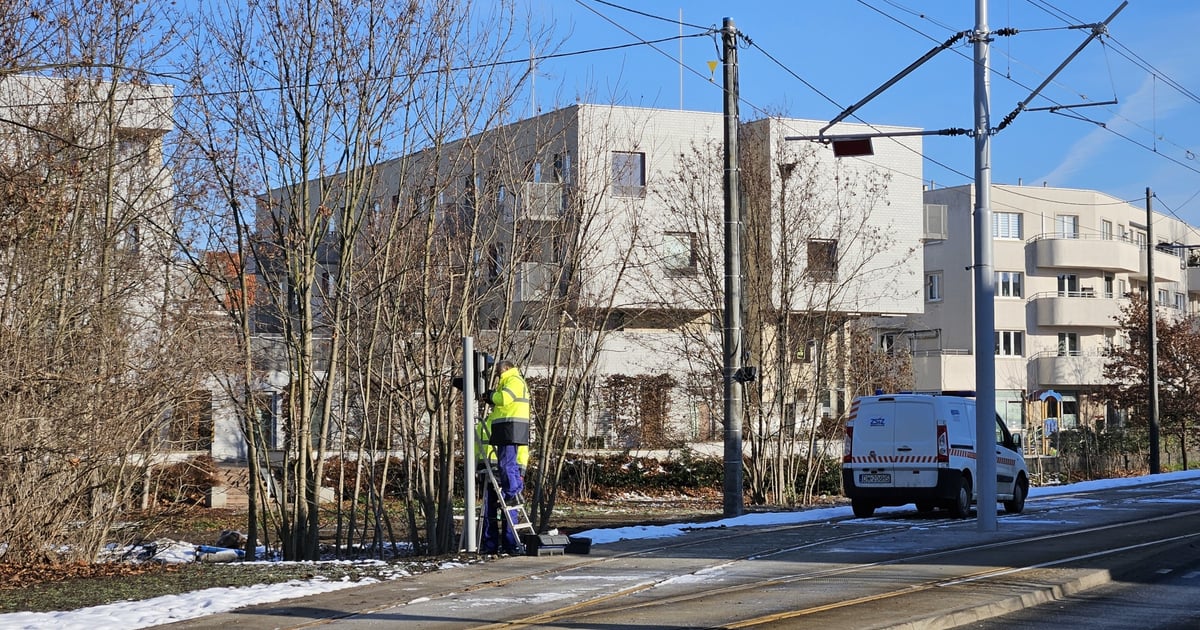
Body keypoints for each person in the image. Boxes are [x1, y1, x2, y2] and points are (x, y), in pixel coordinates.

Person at [476, 359, 530, 555]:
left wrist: (492, 395)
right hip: (490, 471)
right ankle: (491, 546)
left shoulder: (513, 381)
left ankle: (510, 544)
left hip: (504, 468)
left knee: (509, 507)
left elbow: (504, 399)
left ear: (505, 370)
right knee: (491, 511)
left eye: (498, 374)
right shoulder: (493, 419)